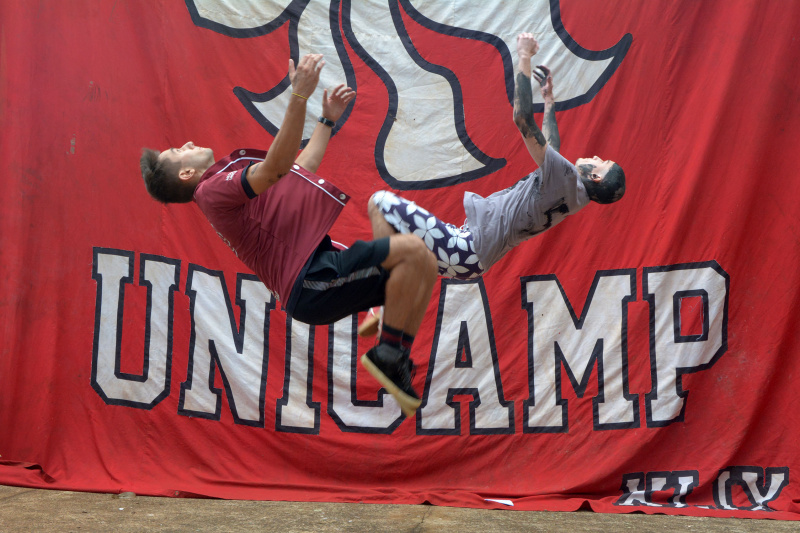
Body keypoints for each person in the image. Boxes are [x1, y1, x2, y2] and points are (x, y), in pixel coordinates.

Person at [139, 54, 436, 418]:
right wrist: (299, 96)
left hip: (316, 276)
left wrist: (326, 120)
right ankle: (389, 350)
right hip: (310, 282)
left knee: (417, 259)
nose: (185, 143)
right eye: (178, 152)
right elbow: (277, 168)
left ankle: (388, 330)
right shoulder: (210, 191)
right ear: (186, 173)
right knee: (412, 252)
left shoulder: (224, 184)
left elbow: (297, 170)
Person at [361, 32, 626, 335]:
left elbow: (522, 118)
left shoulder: (565, 178)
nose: (594, 156)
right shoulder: (573, 194)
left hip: (466, 248)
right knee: (403, 250)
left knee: (381, 203)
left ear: (595, 177)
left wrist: (524, 57)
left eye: (601, 161)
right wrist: (550, 102)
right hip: (470, 257)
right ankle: (387, 316)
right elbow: (551, 144)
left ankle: (384, 306)